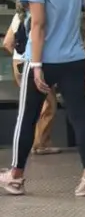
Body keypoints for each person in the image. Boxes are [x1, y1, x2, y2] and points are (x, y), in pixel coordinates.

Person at [1, 0, 85, 197]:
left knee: (26, 118)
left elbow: (38, 23)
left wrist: (35, 65)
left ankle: (16, 176)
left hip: (43, 60)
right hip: (74, 58)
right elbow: (77, 20)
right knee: (80, 117)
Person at [3, 9, 59, 155]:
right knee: (49, 105)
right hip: (34, 62)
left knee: (31, 105)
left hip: (18, 63)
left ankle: (32, 144)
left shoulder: (18, 16)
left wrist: (19, 56)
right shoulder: (40, 15)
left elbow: (7, 43)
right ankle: (40, 144)